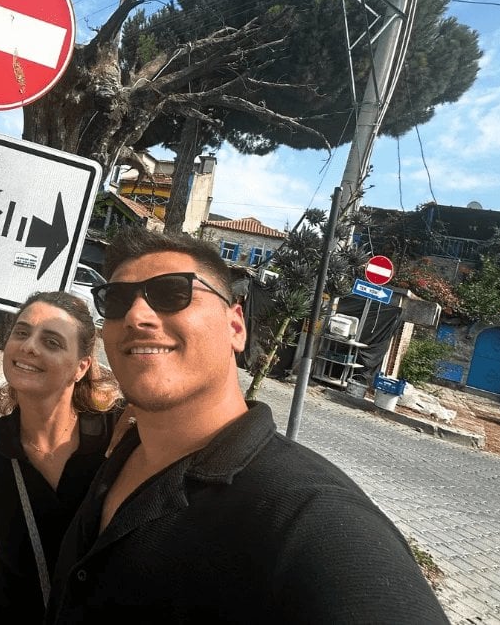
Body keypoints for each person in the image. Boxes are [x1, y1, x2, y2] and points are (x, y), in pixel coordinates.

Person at [45, 227, 450, 624]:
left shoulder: (315, 518)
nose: (135, 315)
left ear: (235, 327)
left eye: (172, 293)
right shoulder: (121, 452)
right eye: (116, 300)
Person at [0, 291, 127, 625]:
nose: (29, 346)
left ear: (81, 367)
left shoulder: (115, 435)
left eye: (51, 342)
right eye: (21, 332)